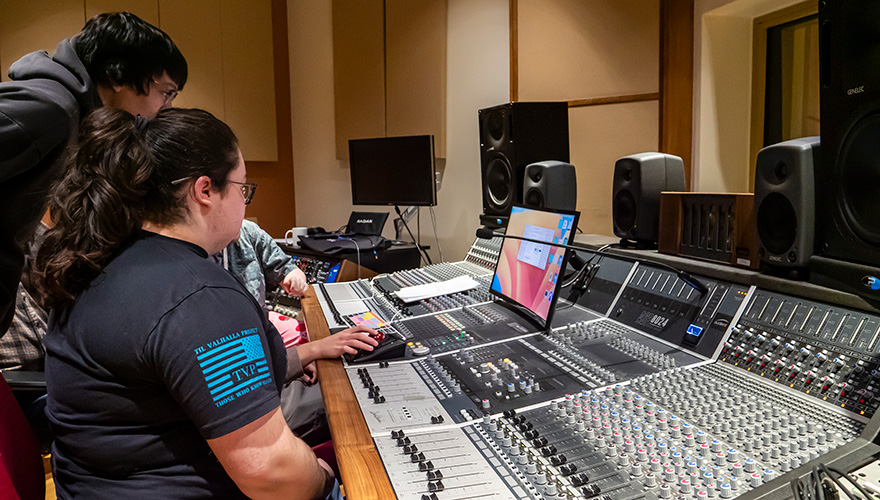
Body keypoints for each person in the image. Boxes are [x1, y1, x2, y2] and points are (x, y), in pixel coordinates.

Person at [35, 107, 378, 499]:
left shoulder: (101, 260)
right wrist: (324, 479)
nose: (244, 202)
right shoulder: (199, 297)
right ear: (204, 191)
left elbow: (189, 379)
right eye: (242, 188)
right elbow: (273, 474)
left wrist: (312, 350)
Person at [0, 11, 187, 339]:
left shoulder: (65, 113)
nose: (166, 107)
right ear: (120, 76)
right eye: (166, 92)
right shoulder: (52, 109)